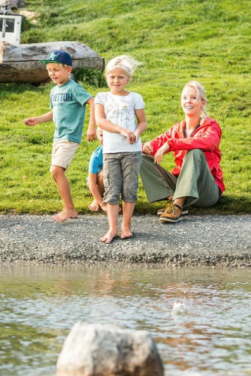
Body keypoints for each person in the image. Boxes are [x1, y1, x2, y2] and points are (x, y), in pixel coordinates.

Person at [22, 50, 95, 222]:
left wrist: (91, 126)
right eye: (49, 70)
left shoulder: (74, 88)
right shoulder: (54, 91)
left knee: (57, 170)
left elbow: (92, 101)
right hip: (58, 137)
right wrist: (38, 120)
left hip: (70, 136)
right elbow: (55, 112)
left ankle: (69, 209)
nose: (52, 73)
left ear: (68, 69)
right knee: (55, 173)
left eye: (55, 69)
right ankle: (70, 209)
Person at [141, 81, 224, 223]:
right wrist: (145, 146)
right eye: (185, 98)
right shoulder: (177, 128)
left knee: (195, 152)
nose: (188, 101)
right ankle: (173, 199)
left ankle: (177, 204)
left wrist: (171, 143)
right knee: (141, 157)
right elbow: (157, 143)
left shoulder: (211, 126)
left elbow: (208, 143)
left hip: (206, 192)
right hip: (181, 185)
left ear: (202, 103)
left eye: (193, 98)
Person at [95, 55, 146, 242]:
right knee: (112, 189)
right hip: (110, 151)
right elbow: (101, 121)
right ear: (106, 77)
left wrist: (136, 133)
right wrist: (122, 130)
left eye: (121, 77)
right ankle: (112, 229)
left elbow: (143, 122)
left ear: (128, 79)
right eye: (112, 77)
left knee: (130, 189)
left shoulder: (135, 97)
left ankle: (126, 226)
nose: (116, 81)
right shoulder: (101, 97)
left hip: (132, 152)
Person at [87, 127, 110, 213]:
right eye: (101, 135)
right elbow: (91, 183)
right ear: (97, 136)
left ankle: (112, 201)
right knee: (103, 173)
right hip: (97, 184)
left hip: (114, 182)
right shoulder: (96, 155)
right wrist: (102, 205)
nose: (104, 139)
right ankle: (98, 199)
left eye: (107, 135)